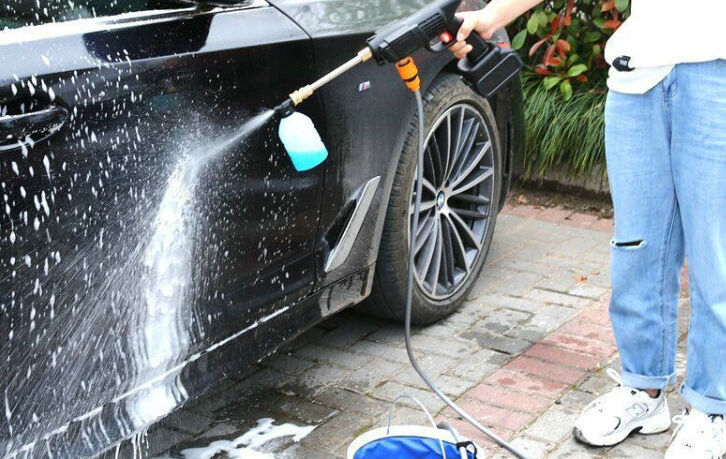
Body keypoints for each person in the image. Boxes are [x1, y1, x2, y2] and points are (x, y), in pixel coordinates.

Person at [448, 0, 726, 457]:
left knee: (715, 254)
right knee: (637, 248)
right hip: (639, 75)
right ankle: (643, 390)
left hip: (716, 75)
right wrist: (490, 17)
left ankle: (712, 408)